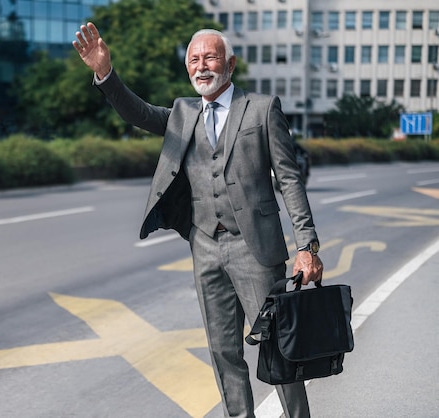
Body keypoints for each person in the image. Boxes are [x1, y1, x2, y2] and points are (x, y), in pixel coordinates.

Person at [73, 22, 324, 418]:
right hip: (205, 246)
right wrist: (105, 74)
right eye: (194, 59)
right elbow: (136, 112)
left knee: (279, 348)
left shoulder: (261, 109)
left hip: (255, 248)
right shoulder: (181, 113)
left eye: (210, 57)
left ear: (230, 64)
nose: (201, 66)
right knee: (224, 351)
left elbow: (289, 180)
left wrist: (307, 246)